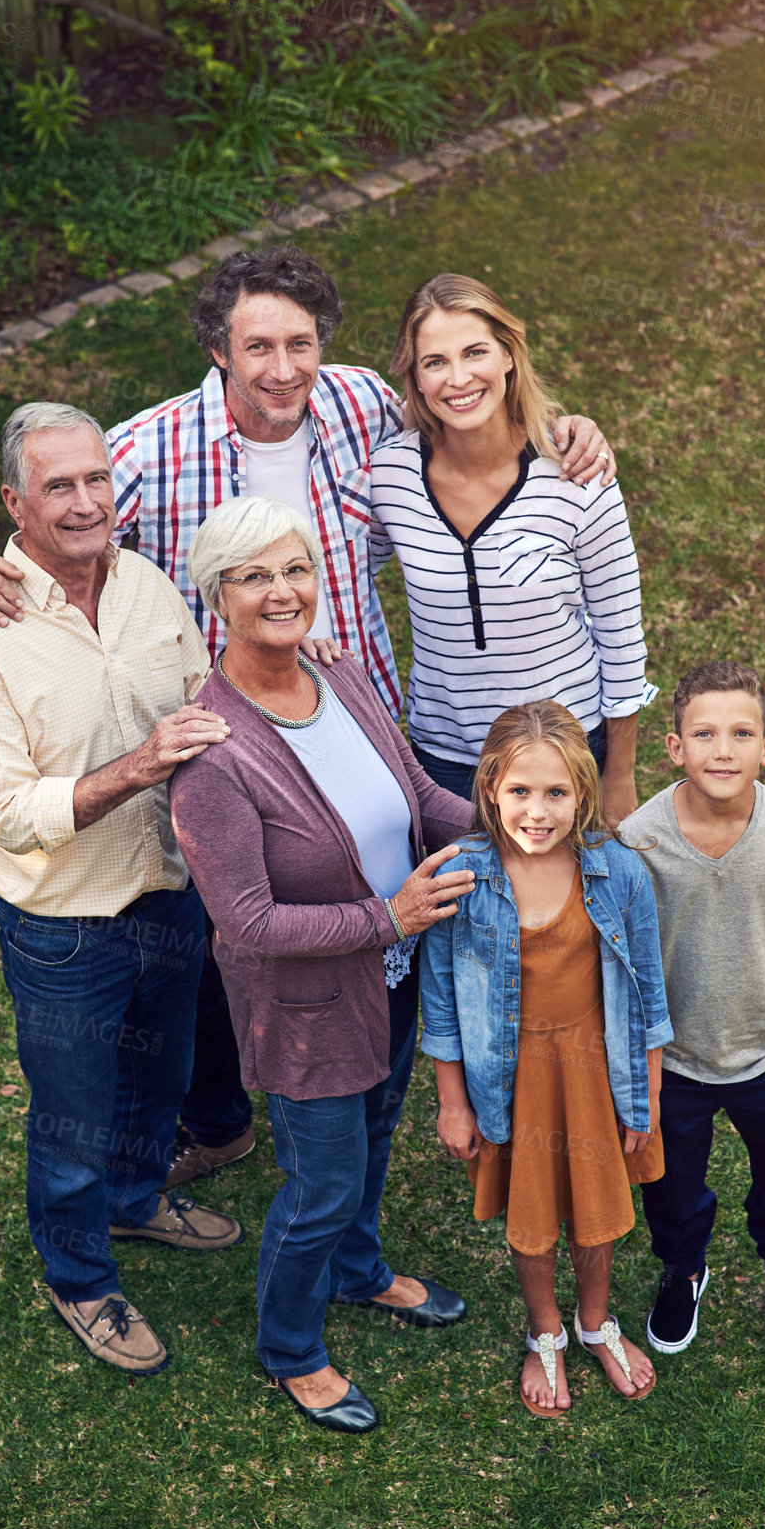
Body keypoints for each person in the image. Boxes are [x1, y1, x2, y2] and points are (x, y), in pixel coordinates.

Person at [0, 246, 616, 1190]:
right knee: (234, 935)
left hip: (359, 699)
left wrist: (562, 427)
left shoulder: (359, 404)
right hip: (240, 730)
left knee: (385, 894)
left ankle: (383, 1084)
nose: (281, 369)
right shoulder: (148, 447)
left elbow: (470, 413)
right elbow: (66, 519)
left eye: (300, 343)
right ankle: (223, 1119)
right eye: (258, 345)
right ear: (219, 348)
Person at [0, 402, 243, 1380]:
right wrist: (136, 769)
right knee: (72, 1117)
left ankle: (139, 1197)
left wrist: (288, 661)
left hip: (166, 891)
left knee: (160, 1079)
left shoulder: (149, 585)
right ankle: (78, 1274)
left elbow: (208, 701)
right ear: (15, 505)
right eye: (57, 486)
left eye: (96, 479)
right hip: (64, 924)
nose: (84, 501)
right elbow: (9, 816)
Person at [170, 496, 476, 1435]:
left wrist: (522, 830)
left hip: (390, 980)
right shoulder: (212, 751)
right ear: (216, 595)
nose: (281, 591)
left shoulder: (338, 677)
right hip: (303, 1005)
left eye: (294, 568)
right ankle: (292, 1347)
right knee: (321, 1182)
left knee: (376, 1134)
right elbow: (247, 922)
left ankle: (357, 1270)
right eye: (254, 575)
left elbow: (419, 796)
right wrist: (386, 917)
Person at [421, 701, 672, 1416]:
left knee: (595, 1209)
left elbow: (648, 996)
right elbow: (438, 1004)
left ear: (583, 794)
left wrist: (645, 1101)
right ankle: (545, 1330)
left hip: (595, 1072)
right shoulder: (462, 876)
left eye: (556, 792)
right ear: (490, 789)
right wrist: (451, 1101)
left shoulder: (616, 872)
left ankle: (595, 1321)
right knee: (531, 1213)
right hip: (510, 1077)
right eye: (520, 791)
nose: (537, 811)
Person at [370, 273, 653, 822]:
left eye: (475, 352)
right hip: (443, 764)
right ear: (416, 378)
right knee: (467, 907)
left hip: (564, 756)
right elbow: (343, 571)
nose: (458, 379)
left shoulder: (577, 472)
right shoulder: (390, 475)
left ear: (508, 355)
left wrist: (619, 776)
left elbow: (621, 639)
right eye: (435, 362)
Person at [623, 661, 765, 1368]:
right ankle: (682, 1270)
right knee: (671, 1186)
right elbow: (624, 965)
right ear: (674, 747)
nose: (723, 749)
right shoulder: (637, 838)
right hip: (674, 1062)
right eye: (704, 733)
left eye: (740, 733)